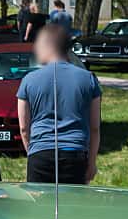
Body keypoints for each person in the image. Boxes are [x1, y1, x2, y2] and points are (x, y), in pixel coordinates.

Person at [17, 22, 101, 185]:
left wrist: (32, 152)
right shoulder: (89, 79)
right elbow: (95, 127)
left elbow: (24, 128)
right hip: (75, 154)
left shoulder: (28, 81)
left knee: (40, 207)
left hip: (41, 154)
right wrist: (91, 163)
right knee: (73, 207)